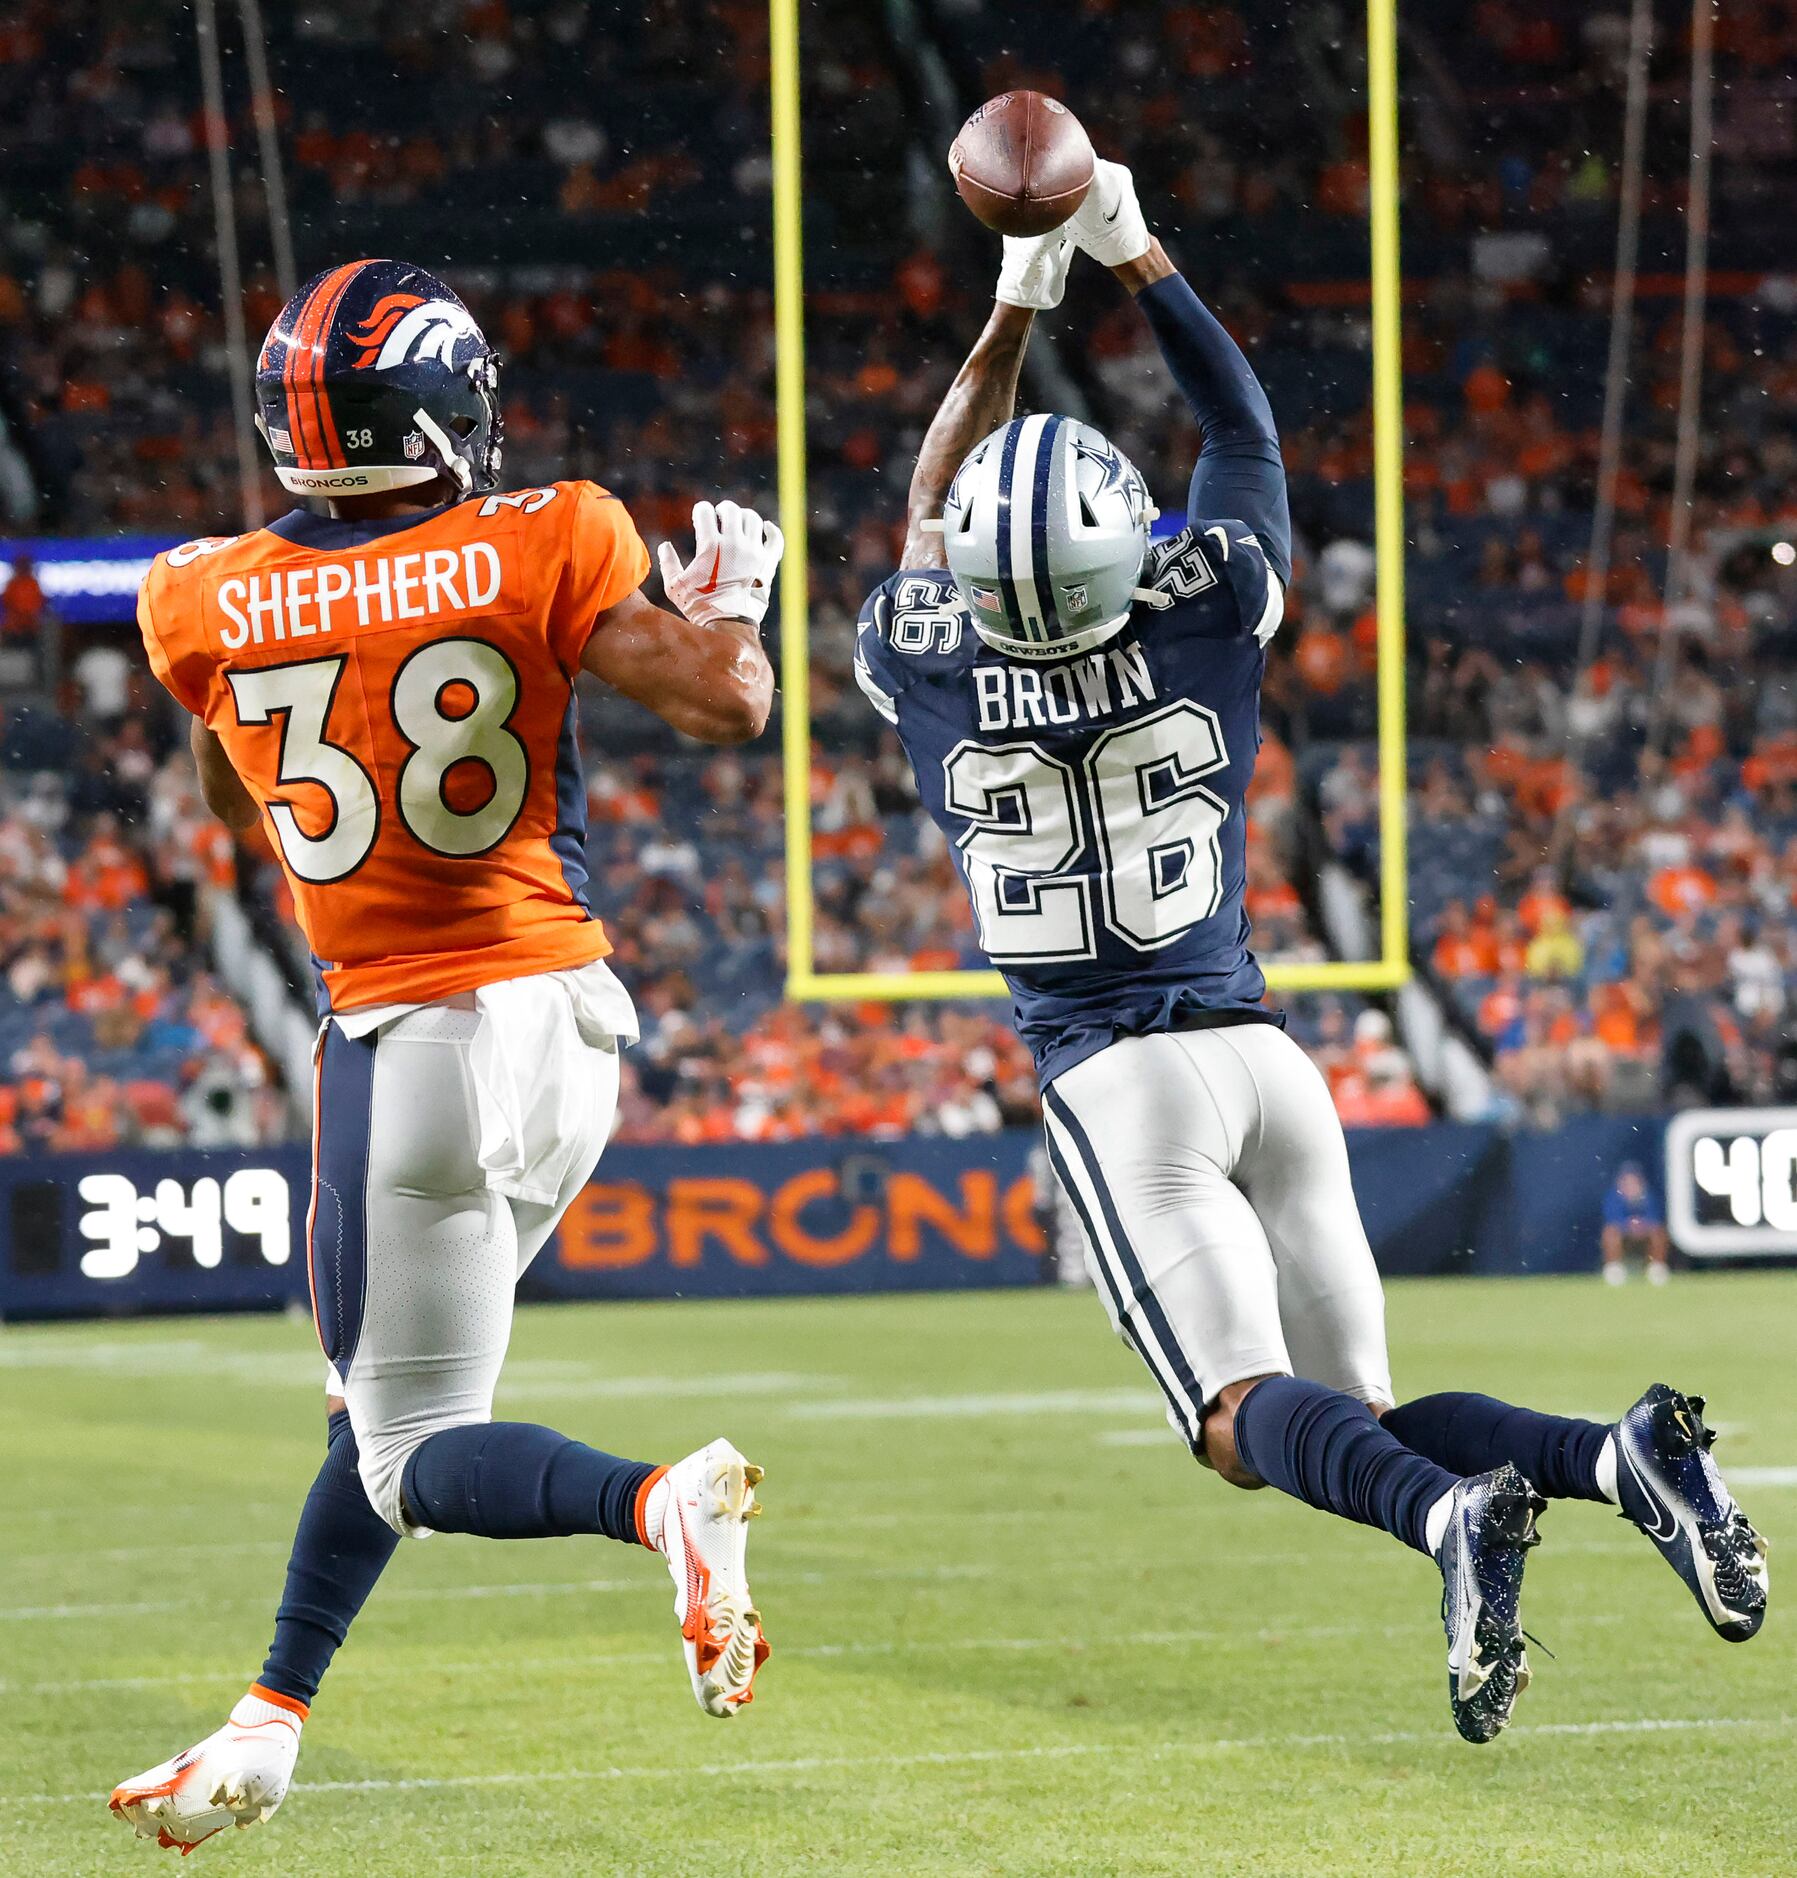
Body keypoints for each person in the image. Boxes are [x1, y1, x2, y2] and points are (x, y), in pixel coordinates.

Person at [855, 157, 1768, 1745]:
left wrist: (1012, 299)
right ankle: (1618, 1462)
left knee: (1237, 1419)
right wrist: (1130, 249)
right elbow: (1243, 436)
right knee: (1360, 1413)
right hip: (1268, 1056)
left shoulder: (923, 650)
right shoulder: (1202, 610)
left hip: (1119, 1087)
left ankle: (1450, 1529)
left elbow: (932, 499)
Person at [109, 260, 779, 1855]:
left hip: (412, 1041)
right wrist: (733, 601)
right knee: (389, 1413)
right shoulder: (542, 531)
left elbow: (231, 803)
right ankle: (270, 1718)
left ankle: (655, 1502)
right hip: (568, 1023)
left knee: (408, 1447)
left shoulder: (195, 591)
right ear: (452, 404)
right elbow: (723, 705)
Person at [1602, 1160, 1671, 1286]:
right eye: (1627, 1181)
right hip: (1624, 1232)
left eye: (1634, 1181)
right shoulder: (1613, 1197)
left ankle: (1656, 1268)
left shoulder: (1649, 1196)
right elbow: (1612, 1219)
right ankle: (1614, 1269)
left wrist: (1642, 1225)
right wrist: (1628, 1224)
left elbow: (1655, 1217)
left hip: (1644, 1233)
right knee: (1610, 1233)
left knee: (1658, 1232)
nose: (1630, 1185)